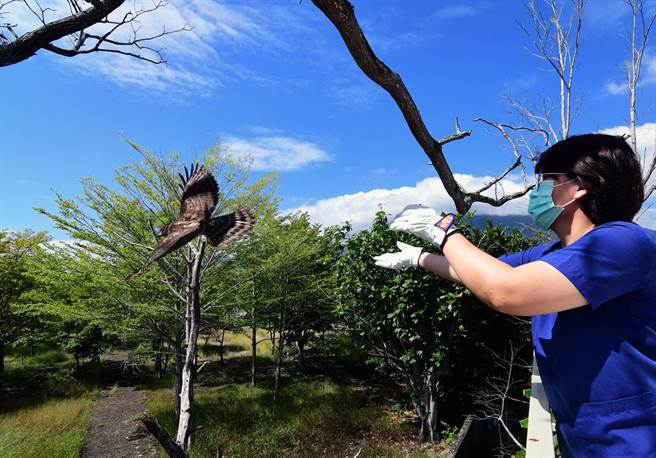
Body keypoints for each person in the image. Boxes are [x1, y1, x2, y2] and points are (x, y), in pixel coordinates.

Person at [373, 134, 656, 457]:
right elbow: (482, 272)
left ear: (579, 187)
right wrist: (418, 258)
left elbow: (505, 291)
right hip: (586, 440)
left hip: (636, 441)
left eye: (549, 180)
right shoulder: (556, 253)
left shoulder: (624, 243)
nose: (538, 192)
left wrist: (442, 229)